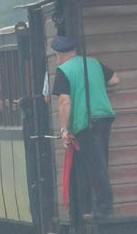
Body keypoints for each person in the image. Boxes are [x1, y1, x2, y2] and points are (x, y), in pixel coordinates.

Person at [48, 34, 119, 218]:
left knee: (95, 166)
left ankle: (103, 210)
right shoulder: (93, 63)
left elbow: (64, 101)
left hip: (86, 122)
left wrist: (64, 130)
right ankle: (101, 207)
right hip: (104, 116)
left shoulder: (63, 70)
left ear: (57, 54)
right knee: (101, 161)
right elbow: (115, 80)